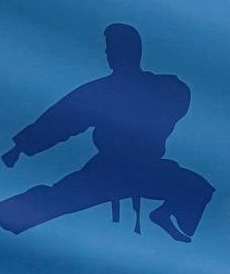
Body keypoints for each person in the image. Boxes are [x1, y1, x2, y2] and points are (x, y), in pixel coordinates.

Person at [1, 23, 210, 241]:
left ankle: (163, 214)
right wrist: (21, 147)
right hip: (109, 169)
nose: (110, 55)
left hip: (145, 167)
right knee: (58, 198)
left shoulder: (165, 87)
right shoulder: (101, 91)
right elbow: (60, 120)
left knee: (197, 187)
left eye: (115, 50)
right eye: (110, 50)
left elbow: (176, 103)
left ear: (134, 52)